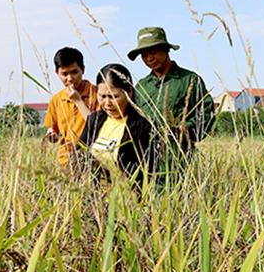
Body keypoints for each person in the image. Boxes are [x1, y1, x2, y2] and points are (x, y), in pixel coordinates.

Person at [127, 26, 214, 181]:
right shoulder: (141, 87)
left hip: (179, 162)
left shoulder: (189, 80)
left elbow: (207, 113)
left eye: (153, 52)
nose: (149, 58)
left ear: (166, 50)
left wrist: (184, 130)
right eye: (144, 55)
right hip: (146, 161)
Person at [73, 63, 154, 187]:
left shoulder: (142, 126)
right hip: (95, 197)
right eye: (102, 96)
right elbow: (77, 156)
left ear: (129, 92)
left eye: (113, 97)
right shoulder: (94, 120)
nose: (107, 103)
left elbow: (149, 170)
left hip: (127, 197)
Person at [43, 47, 98, 168]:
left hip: (94, 159)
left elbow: (97, 125)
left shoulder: (97, 94)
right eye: (64, 74)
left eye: (74, 72)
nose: (70, 78)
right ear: (57, 73)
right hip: (66, 161)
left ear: (83, 70)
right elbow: (54, 135)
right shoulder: (56, 100)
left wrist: (78, 100)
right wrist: (52, 136)